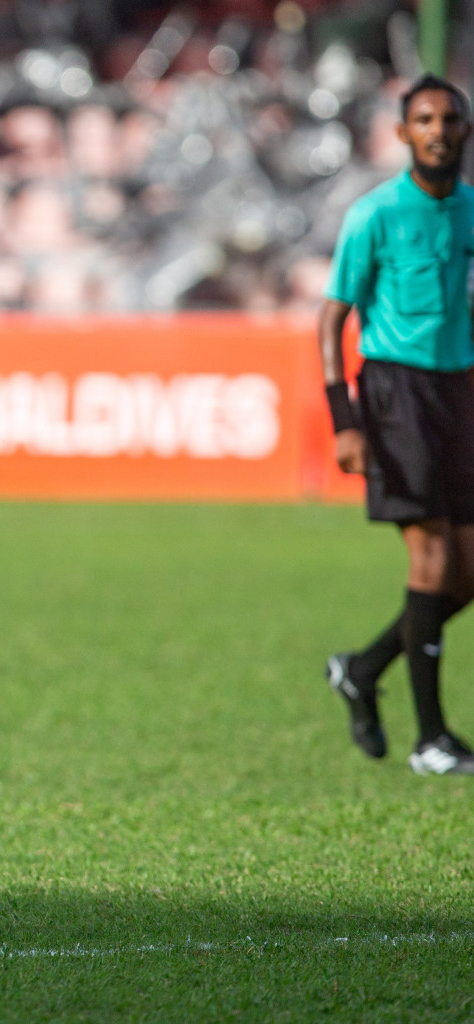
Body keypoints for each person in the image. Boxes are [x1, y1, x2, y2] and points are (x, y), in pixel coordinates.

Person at [320, 74, 474, 775]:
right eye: (424, 119)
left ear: (465, 130)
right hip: (395, 393)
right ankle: (432, 739)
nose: (438, 130)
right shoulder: (375, 214)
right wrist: (344, 420)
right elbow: (332, 318)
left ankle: (364, 666)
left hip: (459, 392)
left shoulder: (472, 210)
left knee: (467, 574)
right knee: (434, 559)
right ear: (402, 133)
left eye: (449, 118)